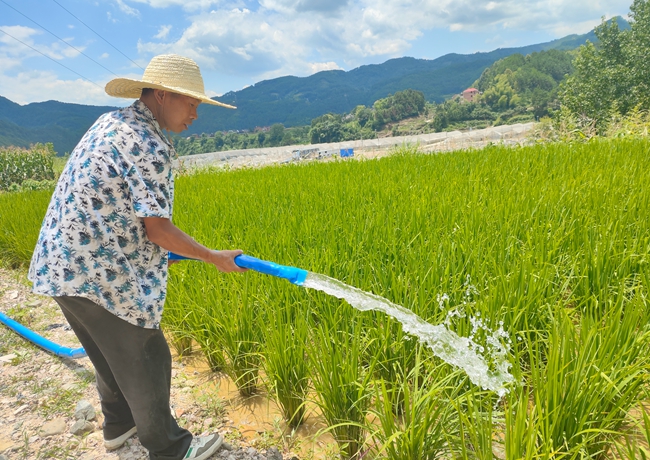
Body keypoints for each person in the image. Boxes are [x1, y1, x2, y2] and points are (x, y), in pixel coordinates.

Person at [28, 54, 246, 460]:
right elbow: (157, 230)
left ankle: (118, 425)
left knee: (110, 354)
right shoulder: (149, 143)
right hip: (98, 271)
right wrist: (212, 256)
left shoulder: (110, 123)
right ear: (161, 96)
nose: (196, 114)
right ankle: (170, 448)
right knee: (146, 351)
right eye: (192, 103)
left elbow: (115, 211)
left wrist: (178, 255)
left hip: (60, 265)